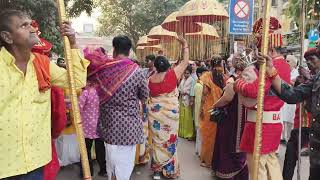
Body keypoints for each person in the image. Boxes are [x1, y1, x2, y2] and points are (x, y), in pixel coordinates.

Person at [0, 9, 89, 179]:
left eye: (31, 23)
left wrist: (73, 43)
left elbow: (77, 81)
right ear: (7, 37)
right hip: (4, 164)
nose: (32, 28)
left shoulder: (43, 64)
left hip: (36, 162)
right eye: (24, 25)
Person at [233, 17, 290, 180]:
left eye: (259, 48)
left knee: (258, 170)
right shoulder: (285, 65)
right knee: (272, 165)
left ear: (267, 48)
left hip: (261, 124)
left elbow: (253, 91)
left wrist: (238, 83)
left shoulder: (270, 66)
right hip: (272, 123)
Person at [258, 47, 320, 180]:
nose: (309, 63)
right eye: (307, 60)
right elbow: (293, 94)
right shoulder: (315, 79)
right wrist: (270, 69)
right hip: (312, 134)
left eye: (312, 59)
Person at [94, 35, 149, 180]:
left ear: (114, 50)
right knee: (124, 166)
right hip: (128, 128)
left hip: (109, 126)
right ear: (129, 51)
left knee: (111, 163)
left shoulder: (105, 70)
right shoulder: (136, 71)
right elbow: (144, 95)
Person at [148, 35, 189, 179]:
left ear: (156, 67)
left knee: (158, 141)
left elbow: (149, 98)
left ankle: (157, 171)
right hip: (170, 118)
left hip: (155, 117)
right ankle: (169, 170)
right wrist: (184, 45)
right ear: (168, 66)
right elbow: (185, 61)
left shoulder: (150, 80)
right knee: (169, 140)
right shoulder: (173, 75)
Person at [211, 54, 249, 180]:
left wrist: (214, 105)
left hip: (231, 117)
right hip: (244, 116)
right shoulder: (249, 79)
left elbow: (227, 98)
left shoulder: (232, 80)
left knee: (229, 142)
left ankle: (229, 169)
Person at [79, 47, 108, 177]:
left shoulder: (86, 92)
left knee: (86, 151)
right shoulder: (103, 90)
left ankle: (87, 172)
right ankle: (103, 170)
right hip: (100, 125)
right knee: (101, 149)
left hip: (86, 126)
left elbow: (78, 107)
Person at [199, 56, 224, 168]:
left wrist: (200, 108)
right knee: (219, 135)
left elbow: (204, 93)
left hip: (210, 108)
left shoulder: (207, 76)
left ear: (211, 64)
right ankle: (217, 160)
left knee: (208, 135)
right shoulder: (225, 76)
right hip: (222, 108)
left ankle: (207, 160)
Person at [178, 65, 195, 139]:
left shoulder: (192, 80)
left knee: (188, 117)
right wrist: (181, 92)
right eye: (185, 73)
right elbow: (179, 88)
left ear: (190, 73)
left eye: (187, 73)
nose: (186, 74)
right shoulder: (183, 79)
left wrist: (187, 93)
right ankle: (181, 133)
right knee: (181, 116)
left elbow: (192, 92)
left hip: (188, 99)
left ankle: (189, 134)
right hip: (181, 99)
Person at [194, 67, 208, 156]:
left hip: (202, 109)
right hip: (201, 109)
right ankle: (199, 150)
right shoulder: (199, 85)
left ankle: (199, 150)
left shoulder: (203, 84)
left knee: (201, 130)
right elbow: (201, 100)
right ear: (199, 75)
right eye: (205, 74)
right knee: (200, 130)